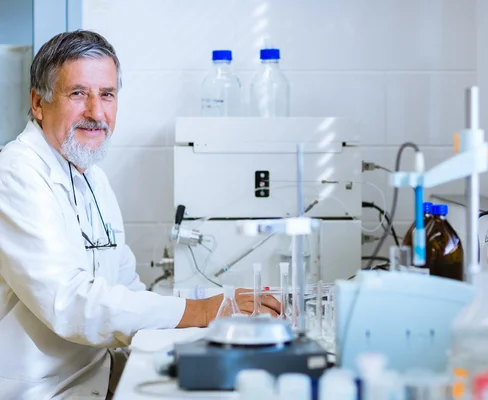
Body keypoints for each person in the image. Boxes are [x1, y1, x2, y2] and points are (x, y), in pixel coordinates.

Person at [0, 30, 280, 400]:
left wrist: (199, 328)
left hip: (96, 377)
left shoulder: (90, 174)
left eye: (108, 95)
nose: (96, 113)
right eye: (78, 93)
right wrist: (201, 311)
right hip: (41, 390)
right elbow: (69, 303)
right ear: (38, 103)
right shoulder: (15, 173)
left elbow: (125, 286)